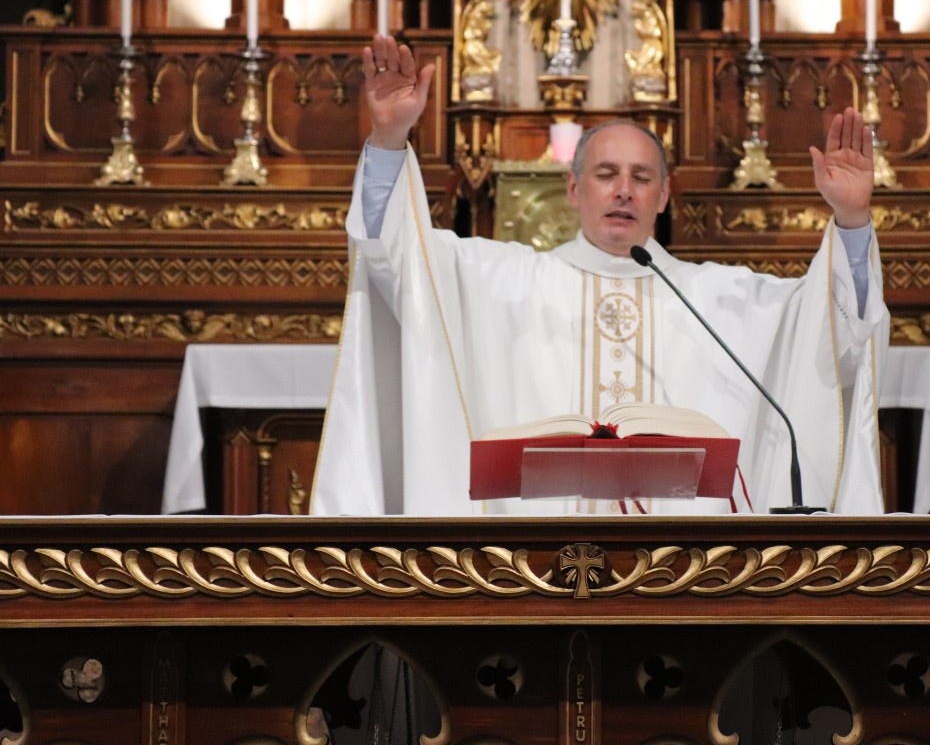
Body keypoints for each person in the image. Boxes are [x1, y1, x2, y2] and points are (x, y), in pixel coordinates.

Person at [310, 35, 889, 516]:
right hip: (529, 572)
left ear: (663, 195)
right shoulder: (503, 281)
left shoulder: (721, 299)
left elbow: (832, 325)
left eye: (641, 177)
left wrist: (853, 218)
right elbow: (397, 260)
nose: (622, 190)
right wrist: (388, 140)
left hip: (684, 575)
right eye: (606, 173)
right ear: (572, 188)